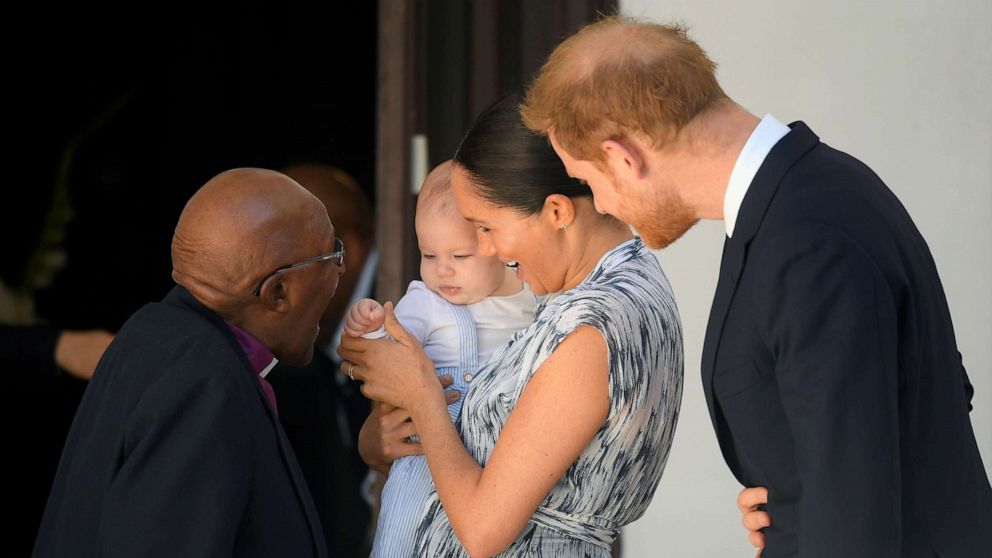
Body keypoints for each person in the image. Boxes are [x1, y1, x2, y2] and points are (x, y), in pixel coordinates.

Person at [520, 16, 992, 557]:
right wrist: (789, 496)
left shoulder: (806, 241)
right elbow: (911, 401)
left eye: (588, 181)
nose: (600, 205)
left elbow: (855, 512)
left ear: (624, 158)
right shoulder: (812, 192)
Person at [340, 94, 684, 557]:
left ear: (558, 212)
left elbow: (483, 531)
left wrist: (422, 397)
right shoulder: (603, 290)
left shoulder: (594, 326)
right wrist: (382, 435)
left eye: (487, 227)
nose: (488, 250)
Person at [33, 168, 342, 558]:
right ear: (278, 292)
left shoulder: (154, 333)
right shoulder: (204, 384)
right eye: (333, 256)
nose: (340, 272)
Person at [344, 160, 537, 557]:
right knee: (407, 537)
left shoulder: (534, 296)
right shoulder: (426, 302)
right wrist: (370, 326)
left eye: (459, 256)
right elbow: (388, 350)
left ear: (499, 245)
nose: (442, 271)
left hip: (506, 463)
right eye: (428, 255)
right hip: (430, 457)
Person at [265, 163, 376, 556]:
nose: (268, 285)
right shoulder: (317, 331)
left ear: (340, 250)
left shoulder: (401, 307)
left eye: (283, 262)